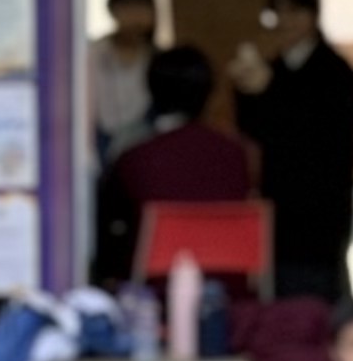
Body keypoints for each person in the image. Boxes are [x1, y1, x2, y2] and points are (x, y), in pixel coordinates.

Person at [227, 0, 353, 303]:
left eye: (295, 11)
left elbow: (320, 135)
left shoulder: (335, 72)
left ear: (312, 15)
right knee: (282, 289)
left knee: (319, 289)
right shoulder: (273, 68)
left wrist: (268, 90)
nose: (286, 21)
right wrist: (243, 90)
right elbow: (254, 129)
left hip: (322, 204)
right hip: (280, 200)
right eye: (279, 12)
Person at [91, 41, 252, 290]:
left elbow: (107, 236)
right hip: (228, 288)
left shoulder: (136, 158)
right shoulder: (235, 154)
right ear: (209, 93)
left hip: (155, 291)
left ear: (150, 89)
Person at [88, 0, 161, 168]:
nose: (136, 17)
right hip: (98, 154)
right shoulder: (91, 54)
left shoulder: (158, 59)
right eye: (128, 7)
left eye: (142, 7)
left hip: (144, 158)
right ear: (112, 9)